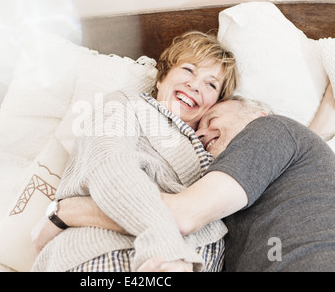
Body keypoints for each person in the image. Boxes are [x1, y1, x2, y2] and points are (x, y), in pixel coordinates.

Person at [38, 91, 335, 272]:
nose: (201, 134)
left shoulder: (271, 127)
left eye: (212, 118)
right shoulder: (252, 183)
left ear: (258, 114)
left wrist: (70, 211)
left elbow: (183, 215)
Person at [31, 30, 239, 272]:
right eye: (188, 69)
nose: (194, 84)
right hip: (109, 254)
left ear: (217, 102)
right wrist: (165, 247)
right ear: (162, 78)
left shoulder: (213, 146)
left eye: (211, 84)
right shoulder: (126, 105)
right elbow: (110, 168)